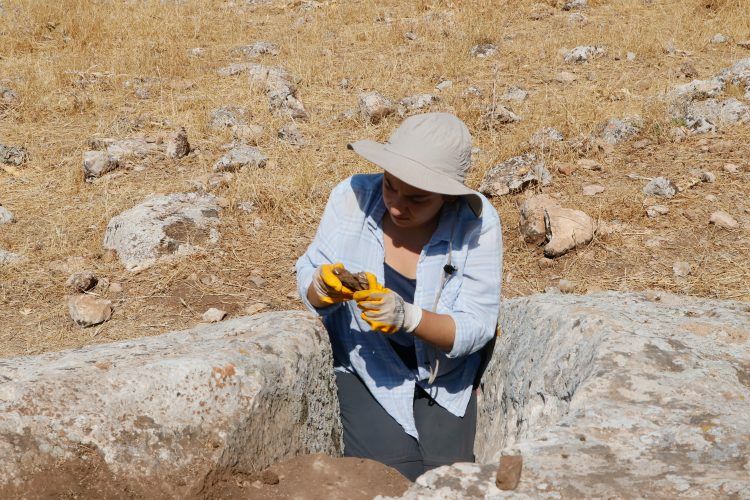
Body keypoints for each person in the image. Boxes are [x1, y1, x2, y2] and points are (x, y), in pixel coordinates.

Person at [295, 112, 502, 481]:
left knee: (446, 478)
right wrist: (323, 288)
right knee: (392, 477)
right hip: (364, 366)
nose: (395, 205)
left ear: (448, 196)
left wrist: (409, 318)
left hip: (441, 376)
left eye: (417, 198)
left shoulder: (477, 222)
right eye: (390, 186)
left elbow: (476, 325)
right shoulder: (352, 196)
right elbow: (310, 282)